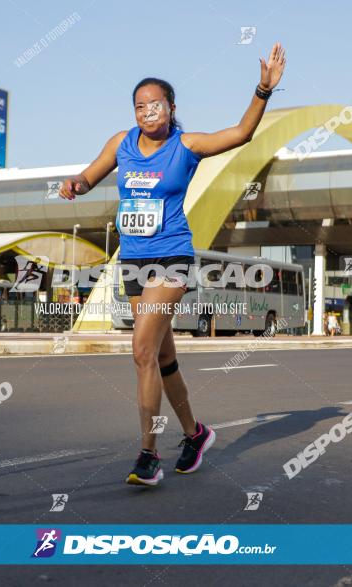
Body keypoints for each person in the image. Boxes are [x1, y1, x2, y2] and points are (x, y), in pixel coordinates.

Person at [58, 43, 286, 486]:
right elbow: (89, 177)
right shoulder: (120, 144)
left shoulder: (186, 145)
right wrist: (74, 185)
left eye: (155, 104)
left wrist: (262, 89)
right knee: (163, 359)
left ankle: (148, 454)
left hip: (172, 258)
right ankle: (195, 433)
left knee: (141, 348)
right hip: (134, 262)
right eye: (139, 106)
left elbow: (240, 134)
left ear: (171, 107)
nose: (147, 112)